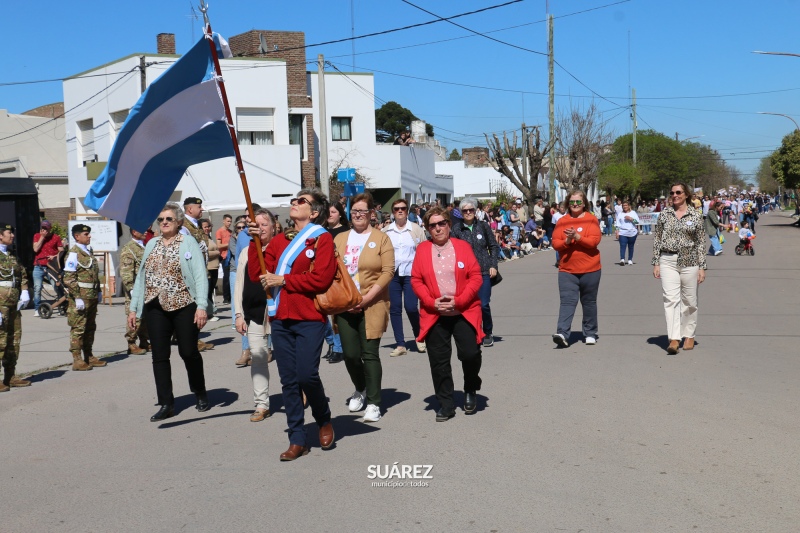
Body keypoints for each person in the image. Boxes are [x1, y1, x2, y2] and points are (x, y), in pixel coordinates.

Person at [248, 188, 336, 461]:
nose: (294, 204)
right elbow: (257, 275)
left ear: (314, 212)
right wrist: (254, 242)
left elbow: (321, 280)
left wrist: (284, 280)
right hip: (282, 319)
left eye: (301, 201)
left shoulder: (322, 240)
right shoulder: (278, 242)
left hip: (309, 318)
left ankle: (323, 418)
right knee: (288, 381)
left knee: (306, 375)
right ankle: (297, 438)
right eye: (294, 200)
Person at [129, 203, 210, 421]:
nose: (164, 222)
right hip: (155, 305)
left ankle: (200, 392)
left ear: (179, 222)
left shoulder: (188, 242)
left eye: (169, 219)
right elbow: (141, 277)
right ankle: (166, 403)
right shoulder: (152, 244)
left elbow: (200, 276)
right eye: (161, 220)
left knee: (188, 351)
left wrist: (201, 306)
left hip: (184, 304)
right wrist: (134, 308)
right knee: (159, 356)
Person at [412, 207, 483, 422]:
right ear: (427, 229)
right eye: (432, 225)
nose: (437, 228)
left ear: (449, 225)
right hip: (435, 313)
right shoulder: (423, 250)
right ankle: (446, 403)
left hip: (463, 310)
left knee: (470, 354)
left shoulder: (462, 247)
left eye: (441, 223)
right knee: (439, 361)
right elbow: (416, 280)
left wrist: (460, 301)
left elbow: (476, 276)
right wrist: (431, 302)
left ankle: (470, 388)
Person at [335, 192, 394, 423]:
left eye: (362, 211)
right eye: (354, 211)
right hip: (344, 304)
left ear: (371, 213)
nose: (358, 215)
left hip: (372, 303)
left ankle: (374, 402)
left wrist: (366, 299)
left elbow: (388, 271)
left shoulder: (381, 238)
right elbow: (332, 271)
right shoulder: (339, 238)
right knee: (350, 354)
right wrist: (345, 300)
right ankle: (360, 389)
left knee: (369, 354)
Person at [651, 182, 707, 355]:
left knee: (689, 300)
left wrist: (702, 267)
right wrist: (656, 262)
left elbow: (700, 242)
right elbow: (657, 238)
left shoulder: (695, 215)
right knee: (670, 299)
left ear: (686, 194)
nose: (675, 195)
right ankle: (674, 338)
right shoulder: (665, 214)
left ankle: (689, 334)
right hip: (667, 259)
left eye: (678, 192)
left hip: (690, 261)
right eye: (672, 193)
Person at [235, 208, 276, 422]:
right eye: (255, 225)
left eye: (263, 224)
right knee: (258, 358)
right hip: (254, 313)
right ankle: (261, 404)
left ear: (273, 226)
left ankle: (299, 390)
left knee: (290, 358)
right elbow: (239, 285)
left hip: (278, 313)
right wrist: (239, 314)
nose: (259, 228)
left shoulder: (282, 248)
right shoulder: (246, 252)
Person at [551, 190, 602, 348]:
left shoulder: (591, 220)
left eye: (578, 202)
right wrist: (567, 240)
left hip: (591, 269)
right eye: (572, 202)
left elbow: (593, 242)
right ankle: (562, 333)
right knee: (567, 302)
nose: (575, 205)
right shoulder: (562, 221)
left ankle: (590, 333)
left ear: (584, 203)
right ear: (567, 203)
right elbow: (555, 244)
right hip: (567, 270)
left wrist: (577, 237)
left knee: (589, 302)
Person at [451, 197, 500, 348]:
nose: (468, 213)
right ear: (461, 213)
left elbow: (493, 246)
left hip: (484, 271)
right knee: (470, 305)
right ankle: (475, 330)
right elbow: (453, 251)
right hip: (466, 274)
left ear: (475, 210)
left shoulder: (483, 226)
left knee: (484, 303)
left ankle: (487, 331)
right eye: (464, 211)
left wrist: (493, 265)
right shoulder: (456, 229)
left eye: (470, 210)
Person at [382, 198, 425, 357]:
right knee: (394, 309)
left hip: (411, 273)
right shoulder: (386, 231)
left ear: (407, 211)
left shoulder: (415, 229)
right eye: (396, 209)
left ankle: (419, 337)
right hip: (393, 274)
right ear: (393, 212)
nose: (400, 211)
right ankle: (400, 344)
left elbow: (423, 250)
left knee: (411, 307)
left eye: (403, 208)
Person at [63, 224, 106, 371]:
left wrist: (99, 290)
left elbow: (94, 274)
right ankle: (77, 359)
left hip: (92, 296)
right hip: (80, 298)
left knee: (90, 327)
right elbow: (68, 278)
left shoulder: (89, 251)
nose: (89, 236)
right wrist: (77, 297)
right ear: (77, 236)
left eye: (89, 234)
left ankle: (89, 355)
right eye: (86, 234)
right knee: (78, 329)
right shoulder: (73, 254)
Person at [0, 223, 31, 391]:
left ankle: (10, 375)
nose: (12, 236)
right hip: (0, 304)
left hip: (13, 304)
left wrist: (25, 291)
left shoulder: (12, 256)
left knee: (14, 340)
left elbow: (22, 274)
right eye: (9, 233)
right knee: (0, 341)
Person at [180, 198, 214, 352]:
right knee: (194, 307)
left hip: (201, 270)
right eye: (199, 207)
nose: (202, 209)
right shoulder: (183, 226)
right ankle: (192, 339)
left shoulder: (196, 224)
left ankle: (192, 337)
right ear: (190, 209)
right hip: (192, 273)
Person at [232, 207, 261, 367]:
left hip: (263, 286)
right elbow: (238, 256)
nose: (247, 221)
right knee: (244, 318)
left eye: (250, 217)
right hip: (245, 278)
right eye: (245, 218)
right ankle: (246, 350)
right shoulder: (242, 235)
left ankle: (267, 349)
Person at [322, 203, 349, 363]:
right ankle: (332, 343)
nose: (330, 214)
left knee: (337, 314)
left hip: (340, 275)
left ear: (340, 214)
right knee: (323, 313)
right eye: (328, 212)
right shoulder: (321, 231)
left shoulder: (346, 231)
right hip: (323, 274)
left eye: (333, 212)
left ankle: (339, 348)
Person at [119, 228, 150, 355]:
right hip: (136, 289)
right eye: (143, 229)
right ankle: (131, 343)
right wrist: (131, 289)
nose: (146, 231)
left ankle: (144, 341)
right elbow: (126, 272)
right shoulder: (129, 249)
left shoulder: (144, 247)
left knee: (145, 317)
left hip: (147, 288)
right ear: (134, 232)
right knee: (135, 317)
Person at [32, 220, 64, 317]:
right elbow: (35, 249)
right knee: (37, 288)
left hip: (51, 266)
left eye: (46, 228)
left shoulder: (56, 237)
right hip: (39, 265)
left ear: (50, 228)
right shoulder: (37, 236)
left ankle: (61, 306)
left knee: (57, 285)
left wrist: (54, 256)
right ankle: (37, 309)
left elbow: (62, 251)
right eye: (43, 228)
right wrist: (42, 237)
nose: (44, 230)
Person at [201, 218, 220, 320]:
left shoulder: (209, 237)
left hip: (214, 267)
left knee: (211, 290)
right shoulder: (202, 239)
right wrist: (217, 253)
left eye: (208, 226)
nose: (207, 228)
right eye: (205, 227)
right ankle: (209, 313)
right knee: (207, 291)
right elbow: (204, 253)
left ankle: (210, 311)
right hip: (208, 268)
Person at [616, 200, 640, 266]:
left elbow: (637, 222)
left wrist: (630, 218)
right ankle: (622, 259)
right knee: (622, 246)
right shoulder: (620, 214)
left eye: (626, 205)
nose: (625, 207)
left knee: (631, 246)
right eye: (623, 206)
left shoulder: (633, 213)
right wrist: (617, 232)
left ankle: (630, 259)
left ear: (629, 206)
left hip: (632, 232)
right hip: (623, 232)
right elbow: (618, 224)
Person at [216, 214, 233, 304]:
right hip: (224, 256)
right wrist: (229, 244)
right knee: (226, 277)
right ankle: (226, 297)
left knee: (232, 276)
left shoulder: (231, 232)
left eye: (230, 221)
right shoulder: (219, 231)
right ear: (223, 221)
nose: (229, 223)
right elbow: (219, 245)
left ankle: (230, 296)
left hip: (231, 256)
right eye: (228, 221)